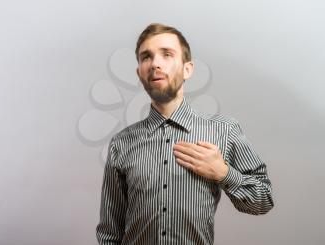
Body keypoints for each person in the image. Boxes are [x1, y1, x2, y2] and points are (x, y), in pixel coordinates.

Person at [96, 23, 274, 244]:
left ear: (188, 69)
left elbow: (263, 200)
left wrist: (223, 173)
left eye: (167, 54)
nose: (155, 64)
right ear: (139, 73)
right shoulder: (121, 144)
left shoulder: (224, 131)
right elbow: (109, 234)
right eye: (146, 57)